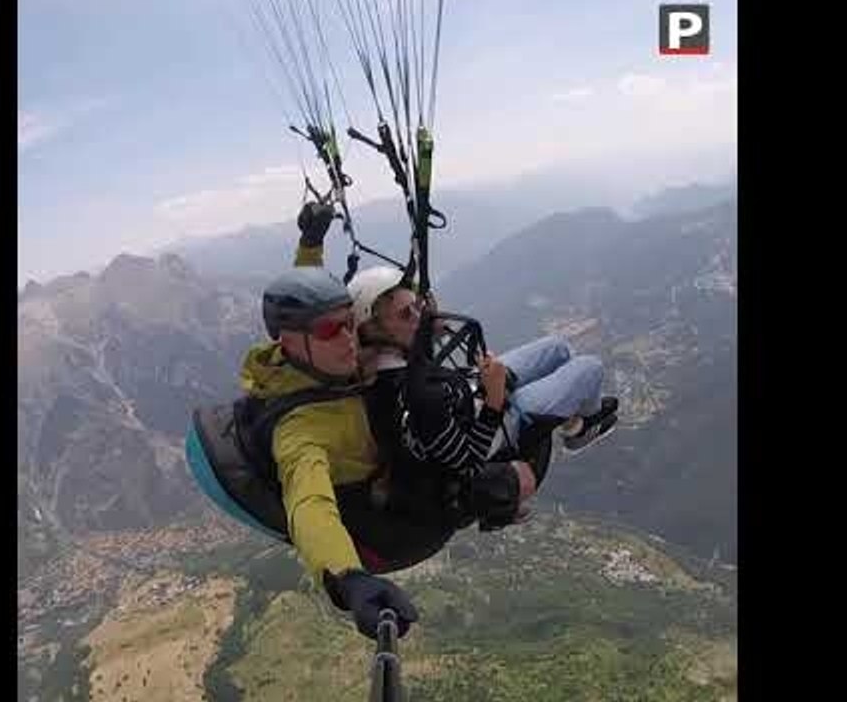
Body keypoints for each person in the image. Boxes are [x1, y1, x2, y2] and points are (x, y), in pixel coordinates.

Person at [345, 264, 619, 527]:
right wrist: (495, 397)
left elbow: (421, 368)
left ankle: (571, 420)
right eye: (406, 314)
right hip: (497, 423)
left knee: (558, 347)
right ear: (372, 329)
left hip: (473, 392)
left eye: (418, 307)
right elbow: (468, 461)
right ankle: (581, 432)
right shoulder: (410, 396)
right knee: (590, 368)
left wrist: (429, 329)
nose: (420, 318)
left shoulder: (393, 362)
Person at [239, 263, 419, 640]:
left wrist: (310, 242)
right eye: (329, 330)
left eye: (350, 322)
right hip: (383, 507)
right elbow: (309, 504)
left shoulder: (318, 359)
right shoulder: (299, 430)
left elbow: (303, 292)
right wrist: (348, 578)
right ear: (288, 342)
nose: (348, 338)